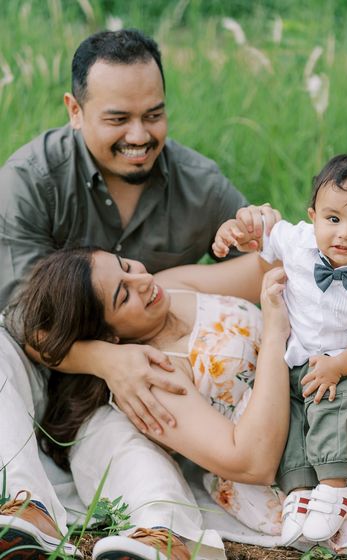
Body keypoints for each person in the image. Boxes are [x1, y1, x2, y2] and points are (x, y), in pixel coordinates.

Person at [0, 28, 279, 560]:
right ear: (75, 110)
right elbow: (21, 322)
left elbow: (263, 266)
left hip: (128, 392)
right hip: (38, 368)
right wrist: (107, 358)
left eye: (153, 114)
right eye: (117, 118)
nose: (139, 134)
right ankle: (20, 508)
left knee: (126, 425)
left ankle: (163, 536)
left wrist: (264, 230)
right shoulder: (30, 181)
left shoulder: (198, 183)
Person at [5, 250, 291, 560]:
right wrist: (276, 334)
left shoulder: (170, 284)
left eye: (126, 265)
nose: (141, 280)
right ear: (107, 337)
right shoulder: (152, 373)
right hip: (297, 444)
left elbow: (275, 265)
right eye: (123, 295)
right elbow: (252, 461)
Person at [213, 153, 347, 546]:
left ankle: (334, 485)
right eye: (333, 219)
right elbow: (260, 238)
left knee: (331, 407)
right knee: (289, 415)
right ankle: (299, 491)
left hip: (346, 361)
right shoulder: (298, 240)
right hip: (293, 357)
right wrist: (232, 231)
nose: (344, 234)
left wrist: (337, 366)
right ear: (314, 216)